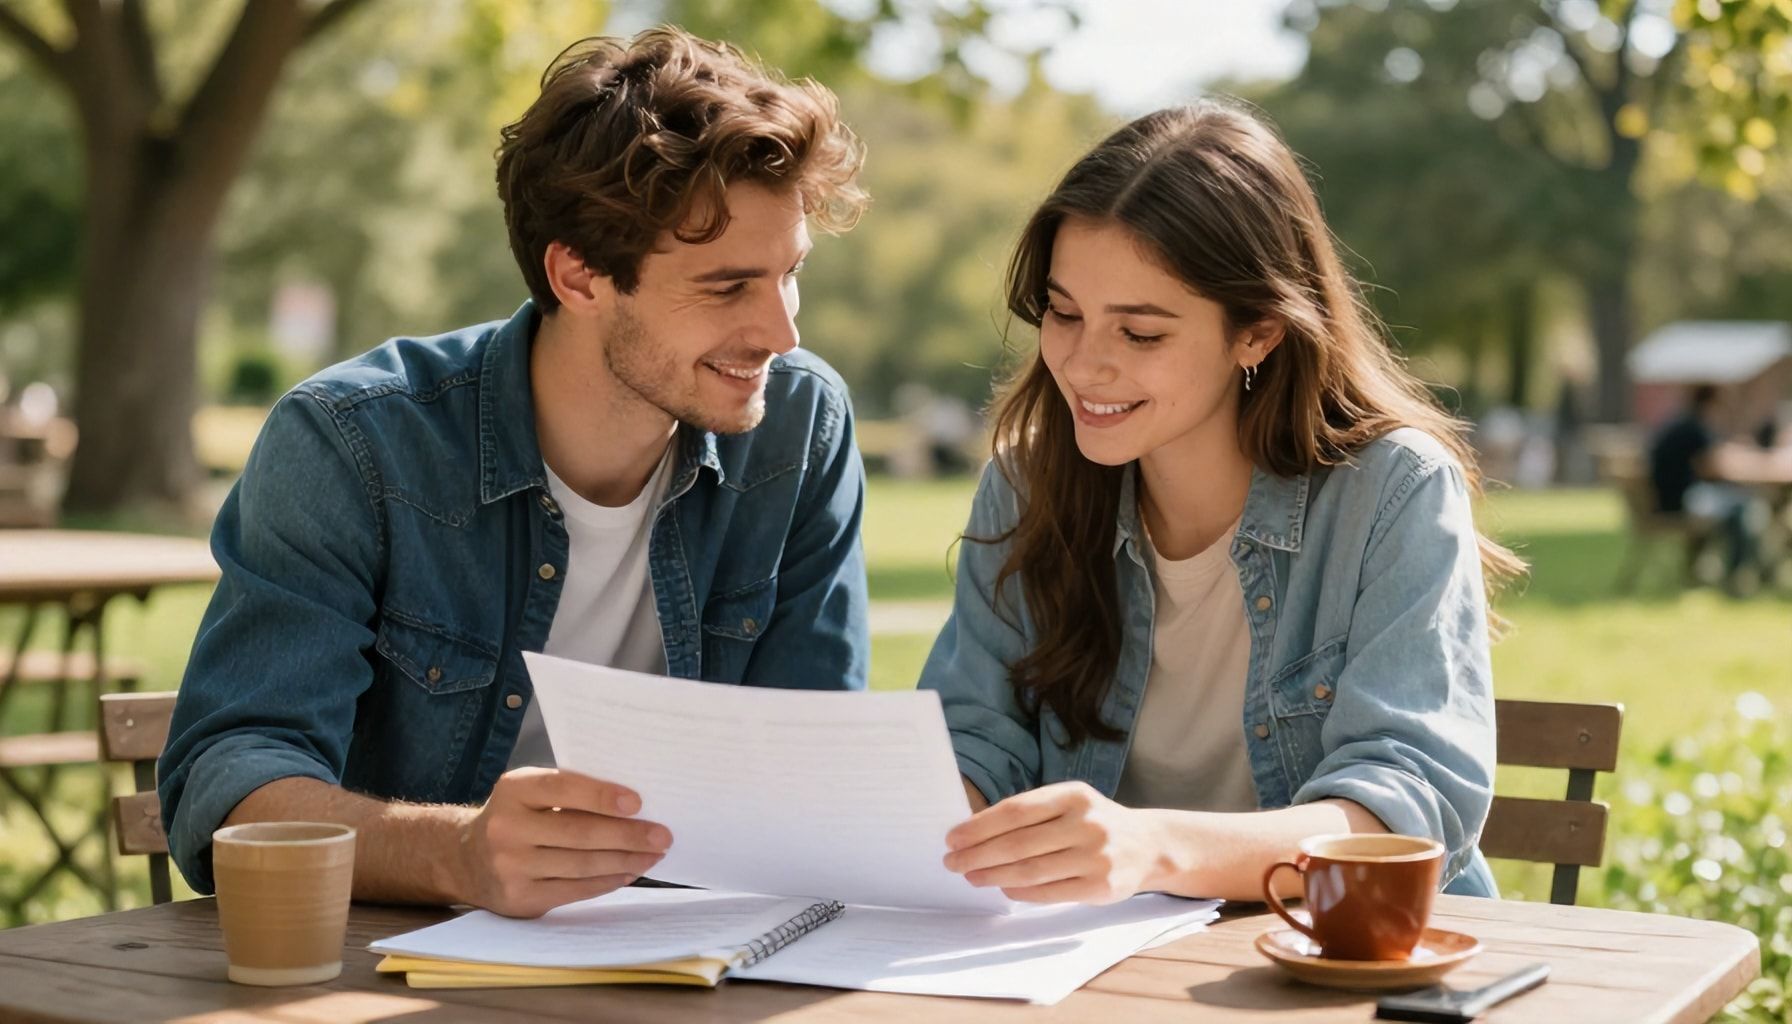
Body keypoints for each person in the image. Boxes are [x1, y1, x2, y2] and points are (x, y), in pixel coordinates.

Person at [159, 27, 871, 919]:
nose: (781, 332)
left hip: (690, 961)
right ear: (577, 276)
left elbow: (818, 769)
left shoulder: (799, 428)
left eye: (789, 274)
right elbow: (229, 787)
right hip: (388, 971)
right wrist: (457, 854)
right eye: (728, 288)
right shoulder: (352, 444)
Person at [919, 99, 1524, 904]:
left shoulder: (1393, 492)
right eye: (1064, 314)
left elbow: (1406, 810)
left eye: (1140, 333)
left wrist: (1157, 849)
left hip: (1340, 959)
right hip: (1094, 969)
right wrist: (936, 811)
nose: (1083, 364)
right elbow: (974, 745)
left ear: (1259, 333)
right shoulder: (1026, 488)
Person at [1648, 384, 1765, 589]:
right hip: (1681, 501)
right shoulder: (1694, 428)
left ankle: (1719, 569)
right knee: (1741, 508)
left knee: (1736, 503)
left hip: (1667, 498)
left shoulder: (1684, 423)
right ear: (1711, 403)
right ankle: (1738, 576)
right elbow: (1712, 467)